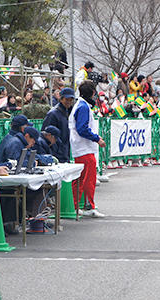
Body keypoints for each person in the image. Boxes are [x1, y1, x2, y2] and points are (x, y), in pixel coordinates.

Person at [69, 81, 106, 218]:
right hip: (84, 148)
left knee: (80, 178)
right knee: (87, 179)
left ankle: (77, 205)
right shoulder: (83, 107)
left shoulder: (81, 105)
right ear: (92, 93)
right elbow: (82, 129)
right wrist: (97, 138)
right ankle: (88, 205)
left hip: (81, 147)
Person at [42, 87, 74, 163]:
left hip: (64, 151)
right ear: (61, 99)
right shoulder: (53, 114)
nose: (69, 102)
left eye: (71, 100)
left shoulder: (68, 112)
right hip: (57, 153)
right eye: (67, 99)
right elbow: (45, 133)